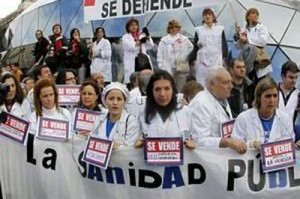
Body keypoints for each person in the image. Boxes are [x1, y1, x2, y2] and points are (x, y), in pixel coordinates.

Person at [189, 68, 246, 153]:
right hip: (206, 160)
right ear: (212, 84)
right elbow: (198, 141)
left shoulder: (222, 99)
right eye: (226, 82)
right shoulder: (200, 103)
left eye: (231, 82)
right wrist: (226, 142)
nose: (231, 86)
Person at [136, 70, 195, 148]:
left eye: (167, 88)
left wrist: (193, 145)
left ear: (173, 90)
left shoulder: (185, 112)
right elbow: (136, 142)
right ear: (151, 91)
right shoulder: (142, 115)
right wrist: (138, 145)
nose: (162, 94)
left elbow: (193, 139)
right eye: (157, 89)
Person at [231, 77, 294, 150]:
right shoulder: (243, 118)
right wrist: (252, 144)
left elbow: (289, 145)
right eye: (268, 96)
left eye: (275, 96)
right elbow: (235, 144)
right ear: (258, 97)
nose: (272, 100)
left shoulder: (285, 118)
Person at [91, 82, 139, 148]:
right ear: (105, 100)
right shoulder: (99, 120)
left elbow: (131, 148)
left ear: (124, 102)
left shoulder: (131, 121)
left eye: (119, 99)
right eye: (111, 99)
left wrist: (117, 147)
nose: (115, 103)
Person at [189, 8, 228, 85]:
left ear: (213, 17)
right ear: (203, 17)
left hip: (216, 60)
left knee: (216, 82)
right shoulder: (199, 30)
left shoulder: (220, 29)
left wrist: (224, 55)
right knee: (202, 83)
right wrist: (191, 59)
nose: (207, 16)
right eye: (205, 15)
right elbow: (195, 47)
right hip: (202, 61)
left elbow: (224, 44)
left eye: (209, 14)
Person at [235, 8, 271, 83]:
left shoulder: (262, 27)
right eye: (253, 13)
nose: (256, 15)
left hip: (259, 61)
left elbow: (263, 41)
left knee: (261, 84)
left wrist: (247, 40)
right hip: (247, 60)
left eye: (257, 14)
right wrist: (237, 35)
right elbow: (237, 46)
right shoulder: (243, 30)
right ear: (247, 16)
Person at [157, 19, 193, 90]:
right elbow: (160, 54)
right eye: (172, 27)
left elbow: (191, 47)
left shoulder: (184, 39)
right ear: (169, 29)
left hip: (181, 64)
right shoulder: (164, 40)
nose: (174, 29)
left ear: (179, 28)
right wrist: (161, 65)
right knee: (169, 85)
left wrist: (184, 56)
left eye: (176, 27)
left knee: (181, 86)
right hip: (168, 65)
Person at [122, 18, 154, 84]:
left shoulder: (141, 35)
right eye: (132, 25)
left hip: (143, 60)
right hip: (133, 61)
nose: (134, 27)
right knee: (133, 81)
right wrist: (140, 42)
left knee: (145, 80)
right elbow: (130, 47)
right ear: (128, 27)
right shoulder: (125, 37)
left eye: (136, 25)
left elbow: (151, 45)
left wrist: (148, 35)